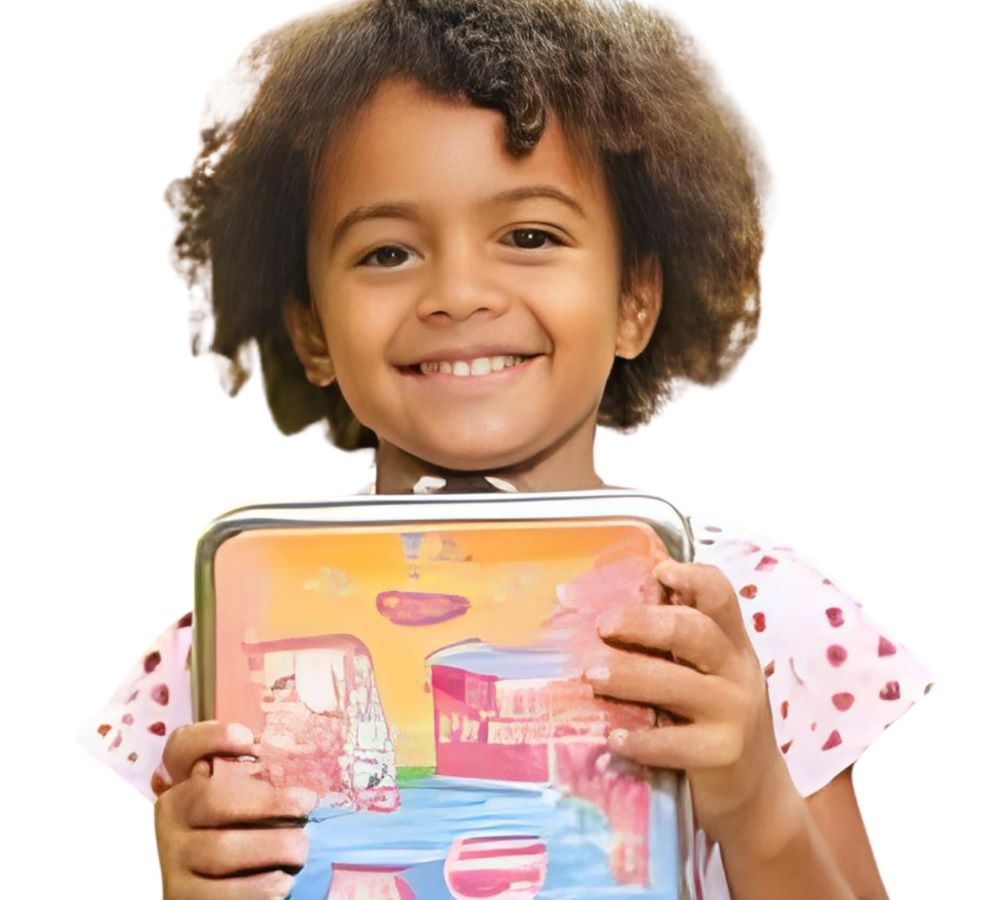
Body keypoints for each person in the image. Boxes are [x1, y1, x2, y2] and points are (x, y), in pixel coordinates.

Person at [81, 1, 933, 897]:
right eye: (386, 252)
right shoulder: (232, 631)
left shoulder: (750, 617)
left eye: (529, 237)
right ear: (313, 331)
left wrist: (755, 799)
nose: (458, 292)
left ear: (635, 300)